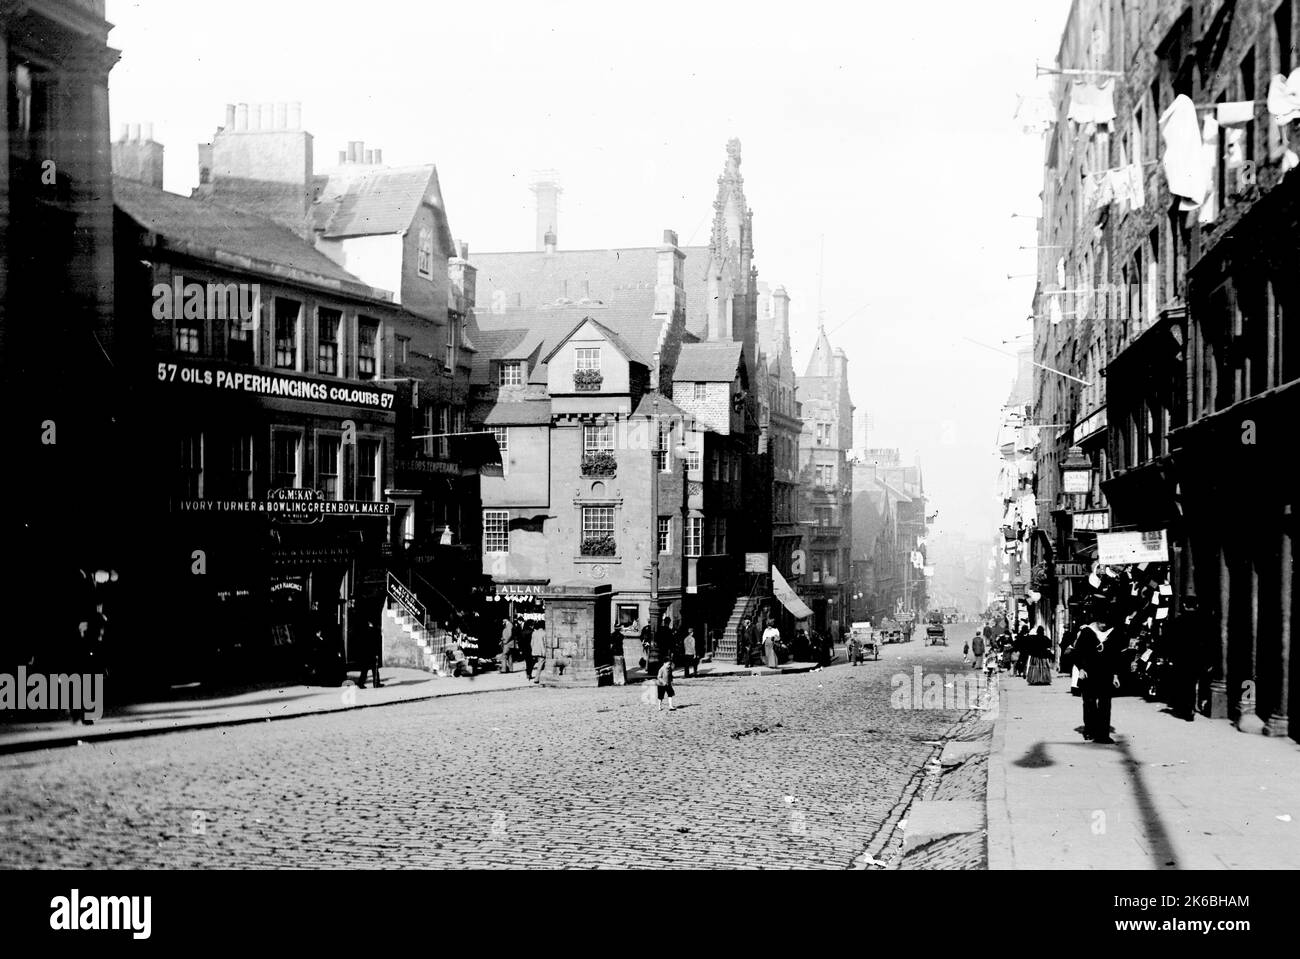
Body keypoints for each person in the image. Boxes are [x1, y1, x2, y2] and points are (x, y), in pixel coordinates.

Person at [1074, 604, 1124, 743]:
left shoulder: (1112, 634)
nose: (1104, 626)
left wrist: (1115, 675)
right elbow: (1077, 653)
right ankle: (1089, 730)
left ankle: (1103, 733)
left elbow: (1116, 656)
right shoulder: (1087, 632)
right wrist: (1081, 669)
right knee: (1089, 703)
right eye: (1101, 623)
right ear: (1096, 621)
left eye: (1106, 623)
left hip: (1106, 675)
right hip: (1089, 674)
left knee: (1105, 704)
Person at [355, 607, 383, 688]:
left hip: (366, 653)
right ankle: (375, 683)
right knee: (374, 669)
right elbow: (375, 643)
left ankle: (361, 683)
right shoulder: (372, 631)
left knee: (366, 669)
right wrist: (377, 653)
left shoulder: (365, 631)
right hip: (371, 653)